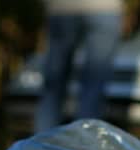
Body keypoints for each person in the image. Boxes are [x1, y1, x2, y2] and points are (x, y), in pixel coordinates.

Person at [35, 0, 123, 132]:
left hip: (64, 7)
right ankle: (82, 146)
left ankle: (43, 146)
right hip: (103, 7)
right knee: (93, 86)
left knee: (54, 85)